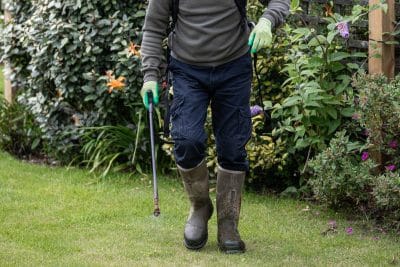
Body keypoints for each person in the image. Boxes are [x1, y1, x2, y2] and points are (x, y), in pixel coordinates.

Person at [140, 0, 290, 254]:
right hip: (187, 69)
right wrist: (150, 76)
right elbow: (154, 28)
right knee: (187, 139)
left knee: (233, 145)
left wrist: (267, 20)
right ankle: (200, 207)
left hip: (234, 65)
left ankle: (228, 221)